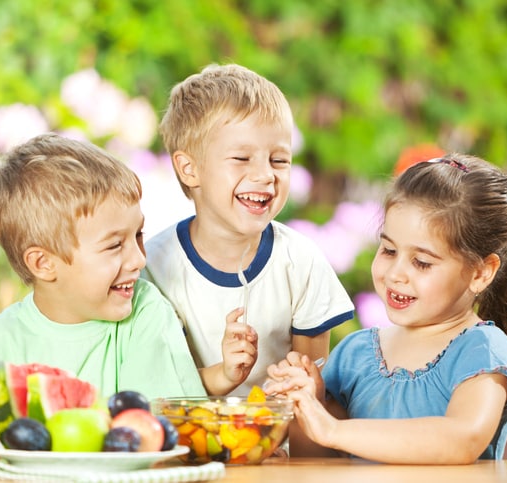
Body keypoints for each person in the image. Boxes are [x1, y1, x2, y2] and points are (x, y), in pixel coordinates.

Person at [0, 133, 206, 465]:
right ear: (44, 264)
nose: (138, 259)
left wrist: (34, 435)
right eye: (115, 245)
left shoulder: (146, 312)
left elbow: (160, 434)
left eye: (138, 235)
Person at [265, 154, 507, 463]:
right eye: (388, 250)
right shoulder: (356, 354)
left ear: (480, 272)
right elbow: (317, 461)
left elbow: (462, 439)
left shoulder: (481, 351)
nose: (395, 273)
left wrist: (333, 429)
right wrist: (308, 406)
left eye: (422, 262)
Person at [143, 64, 354, 396]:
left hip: (276, 444)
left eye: (279, 160)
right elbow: (155, 382)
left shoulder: (300, 261)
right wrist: (222, 373)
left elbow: (309, 390)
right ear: (189, 169)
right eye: (242, 158)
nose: (265, 175)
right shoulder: (154, 267)